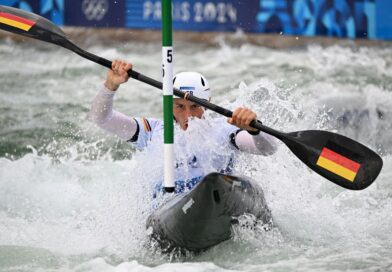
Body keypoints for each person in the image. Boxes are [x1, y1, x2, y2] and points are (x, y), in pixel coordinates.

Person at [89, 60, 277, 195]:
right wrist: (110, 85)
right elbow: (102, 118)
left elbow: (268, 149)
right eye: (180, 106)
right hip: (167, 206)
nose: (188, 115)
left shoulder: (223, 130)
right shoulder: (152, 132)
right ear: (169, 105)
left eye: (195, 107)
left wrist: (254, 130)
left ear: (208, 103)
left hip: (215, 197)